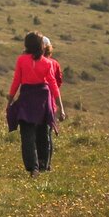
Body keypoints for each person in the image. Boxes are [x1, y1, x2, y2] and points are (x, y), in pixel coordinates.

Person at [5, 31, 63, 177]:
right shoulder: (47, 62)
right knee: (43, 132)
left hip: (27, 97)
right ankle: (43, 163)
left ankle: (33, 167)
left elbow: (16, 81)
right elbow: (53, 84)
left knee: (27, 135)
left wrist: (10, 100)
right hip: (42, 97)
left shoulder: (21, 60)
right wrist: (60, 106)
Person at [42, 36, 65, 165]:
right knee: (47, 133)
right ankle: (47, 163)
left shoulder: (38, 62)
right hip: (51, 100)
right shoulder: (54, 63)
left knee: (41, 133)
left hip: (41, 100)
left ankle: (42, 162)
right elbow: (58, 82)